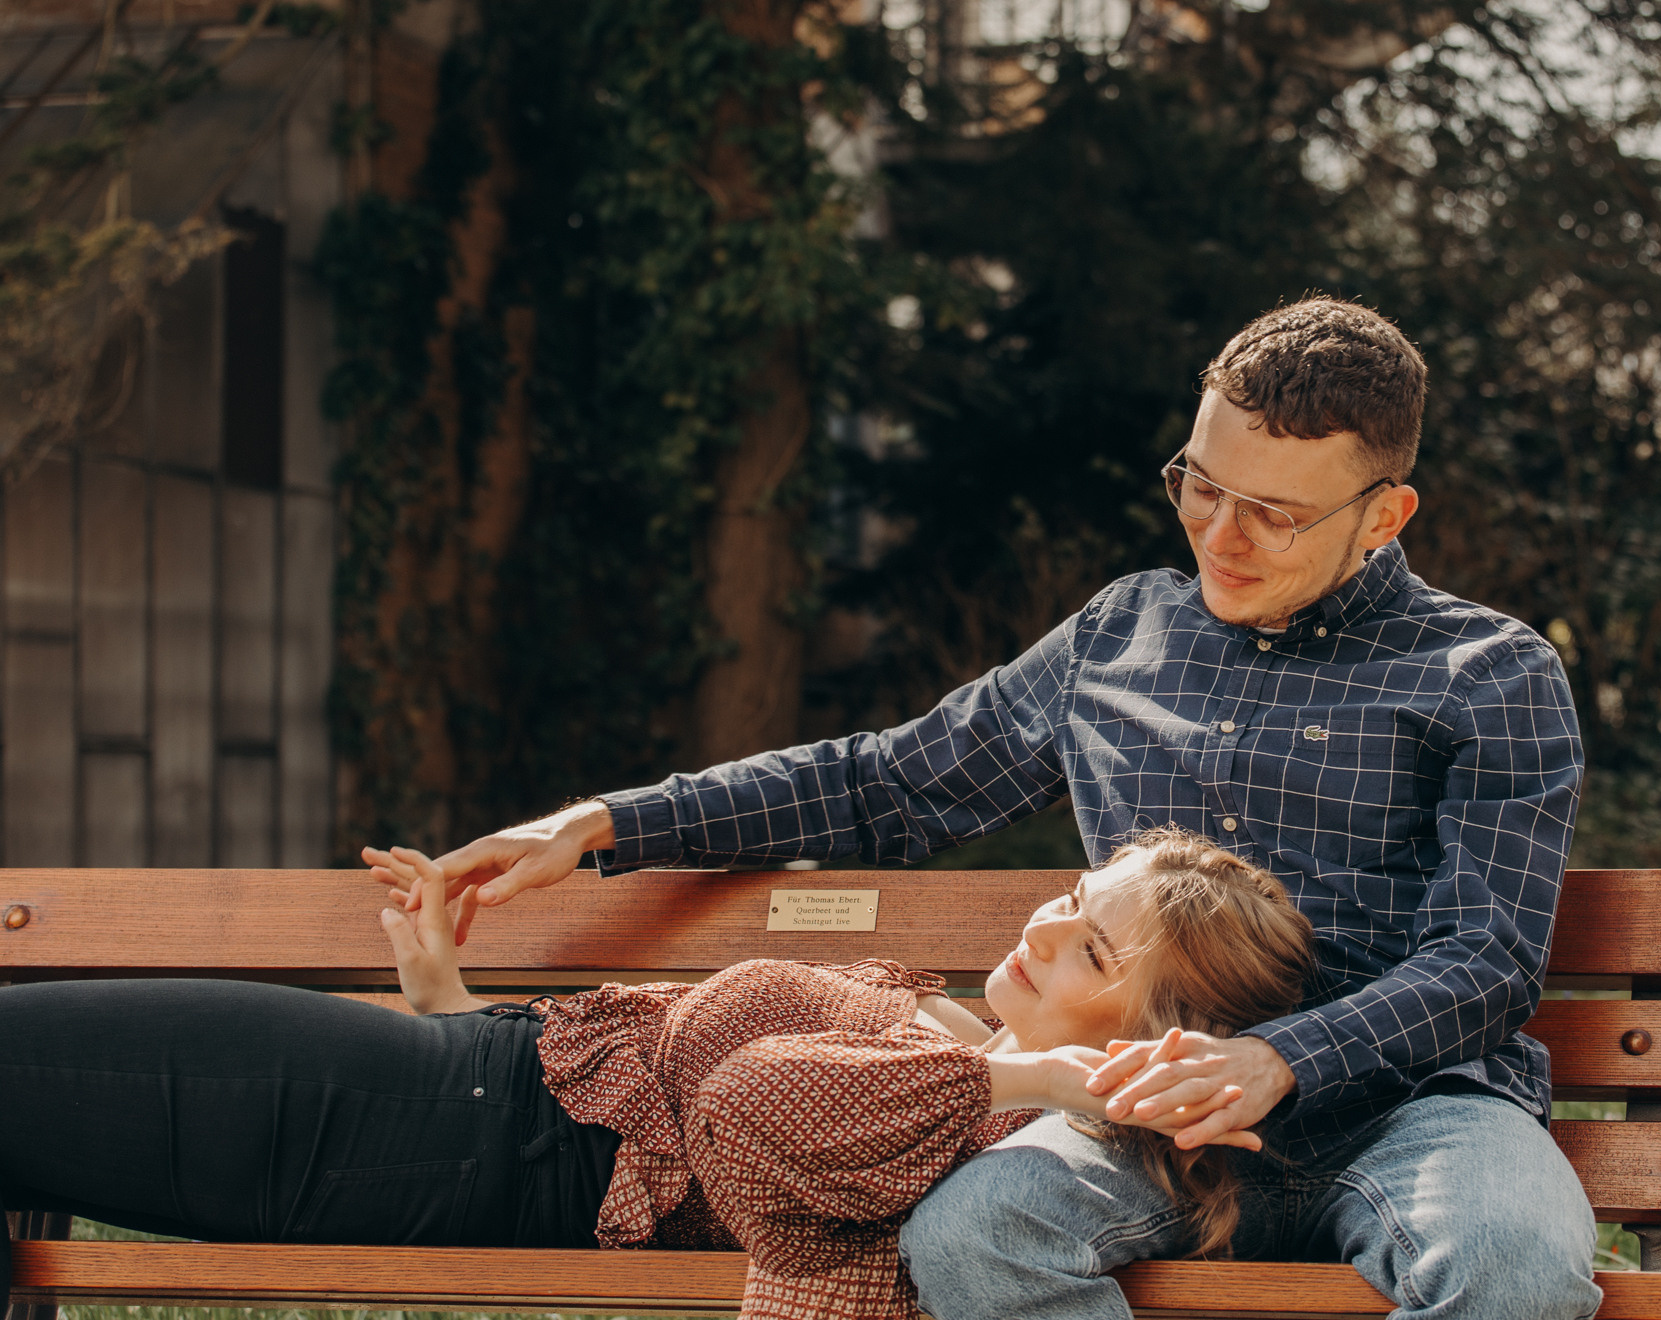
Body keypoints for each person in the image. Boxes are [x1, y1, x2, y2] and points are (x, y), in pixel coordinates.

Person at [399, 295, 1600, 1320]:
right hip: (1134, 1114)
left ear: (1385, 514)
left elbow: (1489, 957)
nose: (1217, 537)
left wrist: (1278, 1059)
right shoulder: (1123, 635)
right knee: (974, 1236)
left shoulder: (1487, 675)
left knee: (1514, 1267)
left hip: (1415, 1110)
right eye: (1199, 485)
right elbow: (890, 785)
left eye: (1274, 515)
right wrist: (605, 822)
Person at [0, 830, 1313, 1320]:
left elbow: (744, 1113)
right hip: (455, 1088)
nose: (1035, 926)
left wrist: (1061, 1083)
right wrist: (448, 996)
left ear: (1149, 1036)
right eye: (1074, 895)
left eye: (1086, 943)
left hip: (439, 1137)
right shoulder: (967, 1063)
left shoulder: (984, 1128)